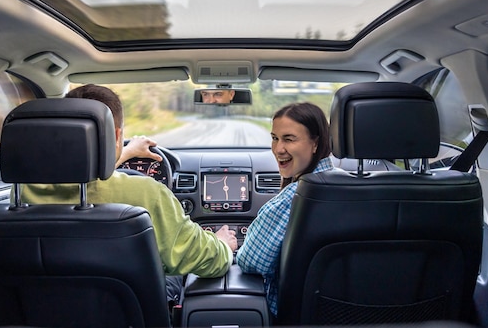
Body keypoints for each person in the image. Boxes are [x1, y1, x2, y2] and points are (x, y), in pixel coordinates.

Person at [19, 84, 238, 304]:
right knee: (174, 271)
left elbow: (84, 175)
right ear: (117, 135)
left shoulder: (23, 194)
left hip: (45, 313)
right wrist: (223, 246)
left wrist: (125, 152)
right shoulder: (147, 194)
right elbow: (208, 261)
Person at [235, 102, 333, 319]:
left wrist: (231, 247)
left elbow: (252, 261)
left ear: (315, 143)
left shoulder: (295, 198)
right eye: (274, 138)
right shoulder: (349, 188)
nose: (278, 149)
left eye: (289, 139)